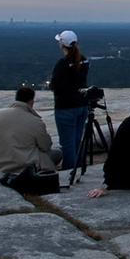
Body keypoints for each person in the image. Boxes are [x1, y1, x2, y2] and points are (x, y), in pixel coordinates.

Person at [0, 85, 56, 173]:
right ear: (31, 101)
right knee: (58, 153)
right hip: (23, 165)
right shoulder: (35, 121)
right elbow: (45, 146)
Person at [50, 30, 92, 171]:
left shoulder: (62, 64)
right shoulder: (83, 59)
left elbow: (56, 85)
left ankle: (69, 171)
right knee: (77, 140)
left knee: (67, 143)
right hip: (82, 104)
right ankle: (79, 167)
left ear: (62, 44)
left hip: (65, 107)